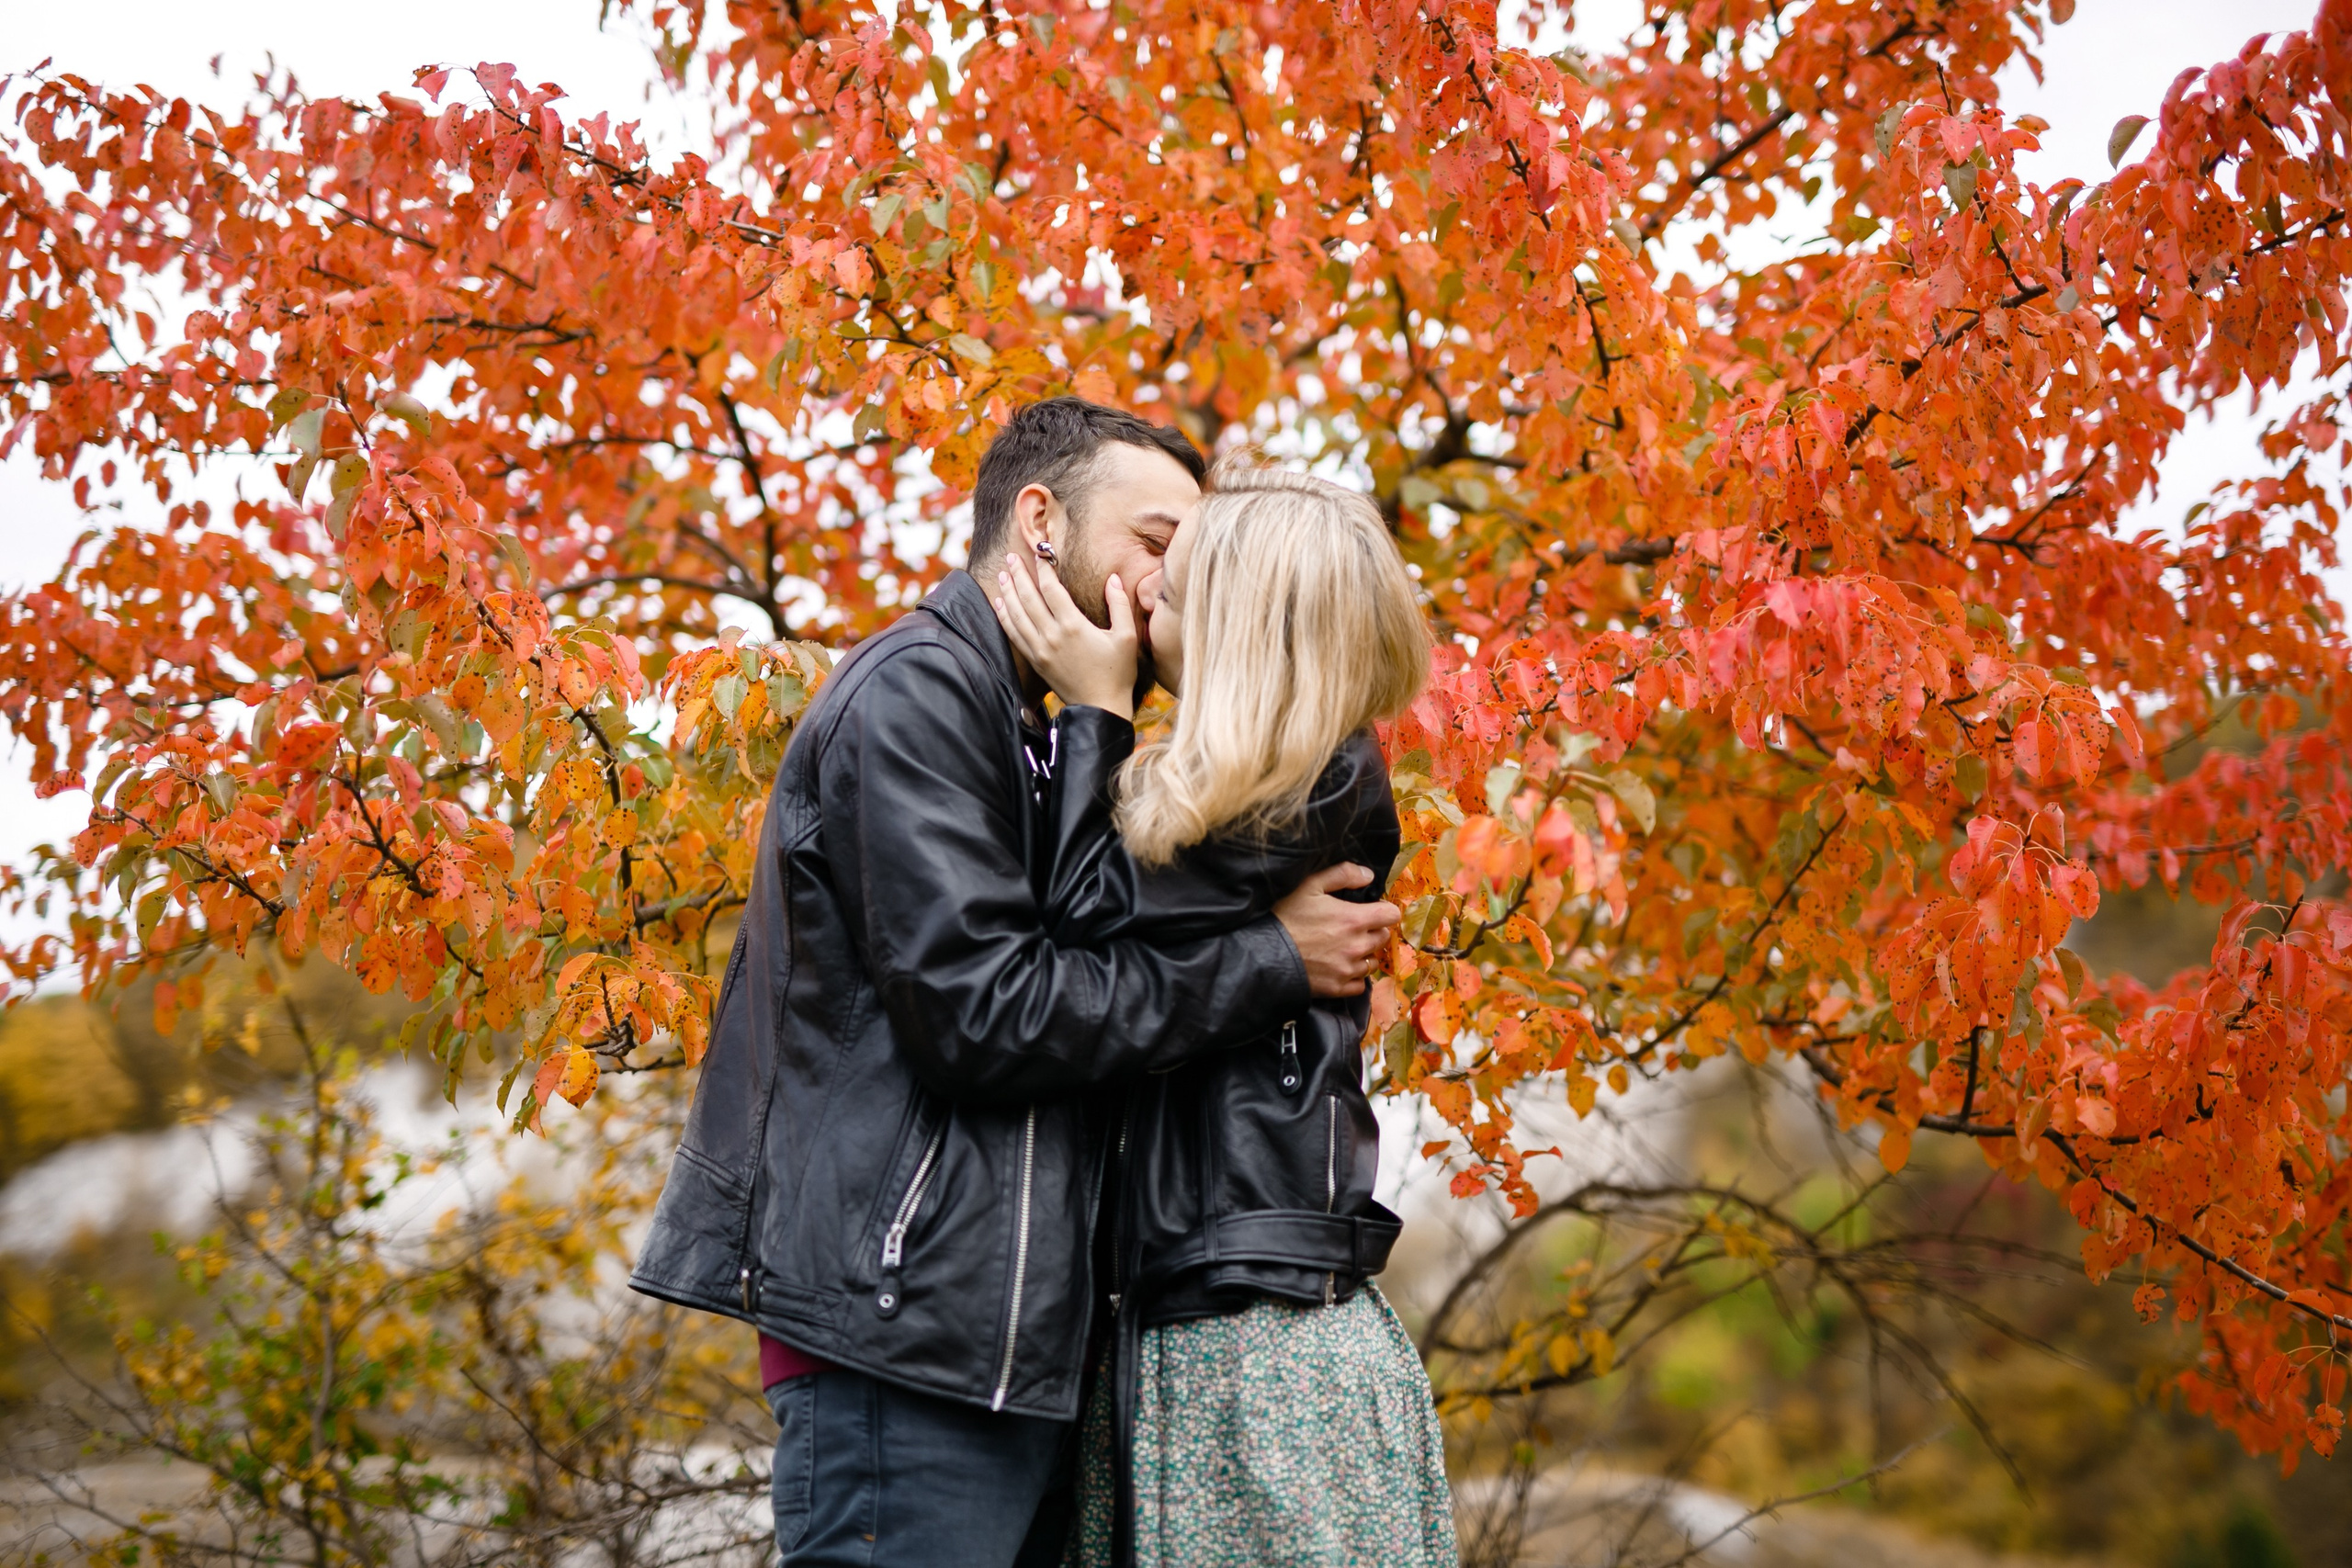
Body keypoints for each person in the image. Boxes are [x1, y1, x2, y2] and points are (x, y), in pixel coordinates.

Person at [627, 399, 1403, 1568]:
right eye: (1153, 546)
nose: (1159, 590)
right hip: (909, 1334)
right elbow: (992, 1013)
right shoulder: (922, 697)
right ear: (1040, 524)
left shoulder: (1056, 733)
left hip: (1009, 1347)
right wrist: (1270, 960)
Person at [989, 459, 1456, 1567]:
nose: (1144, 597)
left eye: (1180, 589)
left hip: (1253, 1334)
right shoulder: (1248, 787)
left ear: (1249, 632)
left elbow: (1078, 922)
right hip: (1205, 1311)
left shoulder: (1304, 788)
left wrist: (1094, 709)